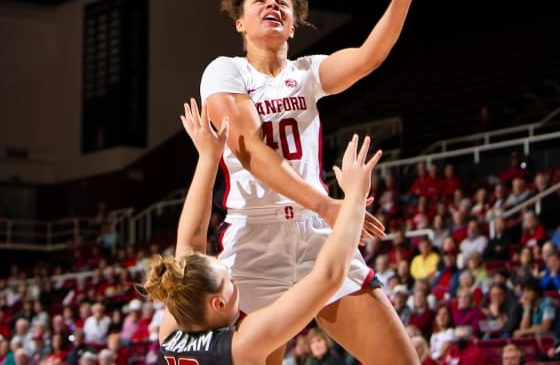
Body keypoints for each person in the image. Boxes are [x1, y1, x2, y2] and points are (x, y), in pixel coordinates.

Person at [199, 0, 446, 365]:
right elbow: (250, 150)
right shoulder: (225, 71)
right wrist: (330, 205)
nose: (273, 5)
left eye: (282, 2)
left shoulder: (307, 72)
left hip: (317, 232)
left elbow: (368, 58)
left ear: (294, 25)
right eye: (260, 1)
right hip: (255, 242)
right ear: (240, 21)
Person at [145, 99, 387, 365]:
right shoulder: (241, 345)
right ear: (218, 304)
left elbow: (190, 244)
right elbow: (329, 276)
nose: (236, 281)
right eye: (231, 282)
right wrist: (354, 196)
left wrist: (208, 156)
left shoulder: (172, 331)